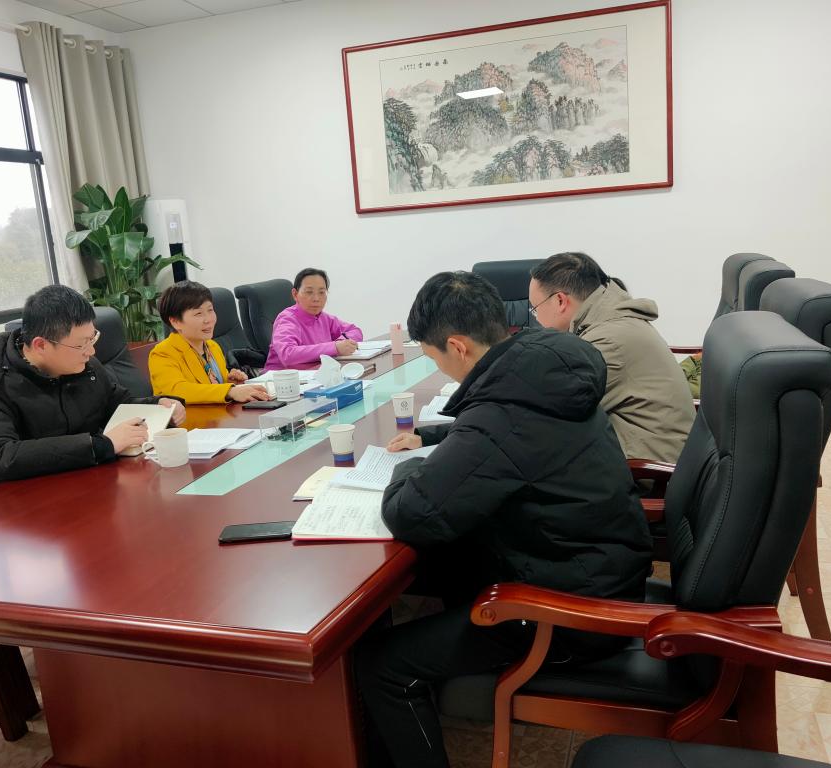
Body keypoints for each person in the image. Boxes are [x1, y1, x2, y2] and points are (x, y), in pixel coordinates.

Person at [355, 271, 651, 768]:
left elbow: (413, 513)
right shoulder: (542, 371)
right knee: (430, 569)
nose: (441, 369)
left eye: (434, 357)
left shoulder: (504, 413)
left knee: (381, 664)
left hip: (572, 612)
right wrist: (438, 445)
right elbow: (489, 443)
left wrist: (405, 467)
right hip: (597, 567)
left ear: (458, 346)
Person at [0, 285, 185, 497]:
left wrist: (158, 406)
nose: (91, 351)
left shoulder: (83, 365)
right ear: (41, 345)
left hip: (79, 487)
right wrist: (100, 445)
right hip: (11, 506)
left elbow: (116, 402)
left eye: (92, 338)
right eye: (81, 344)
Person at [528, 252, 695, 465]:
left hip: (648, 470)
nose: (536, 319)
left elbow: (552, 413)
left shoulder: (607, 342)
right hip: (654, 453)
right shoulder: (612, 321)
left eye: (535, 309)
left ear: (560, 301)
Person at [149, 281, 272, 404]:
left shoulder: (212, 346)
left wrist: (231, 382)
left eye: (210, 310)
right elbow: (176, 391)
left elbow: (213, 388)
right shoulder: (163, 353)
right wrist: (230, 391)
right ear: (176, 322)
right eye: (198, 314)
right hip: (189, 416)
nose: (208, 319)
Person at [263, 268, 363, 370]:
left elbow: (355, 331)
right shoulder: (287, 319)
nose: (316, 299)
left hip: (317, 373)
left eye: (321, 292)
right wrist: (334, 347)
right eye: (309, 292)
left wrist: (342, 342)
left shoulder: (324, 318)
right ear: (295, 294)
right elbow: (288, 354)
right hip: (283, 377)